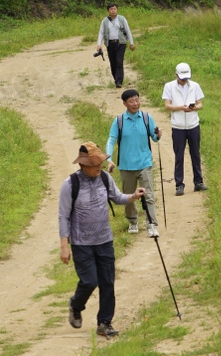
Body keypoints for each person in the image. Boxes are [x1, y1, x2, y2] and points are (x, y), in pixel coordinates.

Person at [59, 141, 145, 339]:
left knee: (107, 282)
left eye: (100, 162)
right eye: (95, 164)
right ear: (83, 165)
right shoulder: (70, 184)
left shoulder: (105, 178)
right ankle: (76, 304)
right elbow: (63, 216)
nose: (99, 166)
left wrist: (132, 196)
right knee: (90, 281)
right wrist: (64, 245)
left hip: (104, 240)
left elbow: (117, 198)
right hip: (81, 243)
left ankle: (104, 322)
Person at [105, 89, 162, 237]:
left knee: (148, 195)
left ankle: (151, 224)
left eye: (137, 100)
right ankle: (132, 221)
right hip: (126, 166)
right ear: (124, 103)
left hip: (145, 163)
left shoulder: (146, 117)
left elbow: (154, 138)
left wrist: (158, 135)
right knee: (129, 196)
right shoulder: (119, 121)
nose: (135, 103)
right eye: (131, 101)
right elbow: (111, 140)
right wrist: (109, 158)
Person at [162, 62, 206, 196]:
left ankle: (198, 182)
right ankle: (179, 184)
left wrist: (193, 108)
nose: (184, 80)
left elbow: (200, 104)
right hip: (178, 126)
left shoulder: (195, 86)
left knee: (195, 154)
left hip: (193, 124)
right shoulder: (169, 86)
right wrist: (181, 108)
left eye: (186, 77)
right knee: (179, 156)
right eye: (182, 78)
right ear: (176, 75)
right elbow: (167, 106)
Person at [96, 3, 134, 88]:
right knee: (113, 62)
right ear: (108, 11)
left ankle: (119, 81)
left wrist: (131, 43)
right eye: (111, 9)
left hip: (121, 43)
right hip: (110, 44)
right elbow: (101, 32)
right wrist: (99, 44)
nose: (113, 11)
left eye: (115, 9)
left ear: (117, 10)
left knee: (119, 62)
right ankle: (116, 78)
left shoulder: (122, 19)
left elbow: (128, 31)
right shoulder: (105, 21)